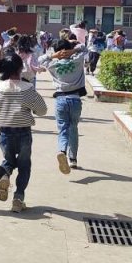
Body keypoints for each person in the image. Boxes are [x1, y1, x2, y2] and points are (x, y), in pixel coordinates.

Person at [0, 53, 48, 213]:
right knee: (24, 166)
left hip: (4, 132)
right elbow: (42, 110)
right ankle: (18, 198)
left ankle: (5, 175)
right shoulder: (27, 88)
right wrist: (32, 109)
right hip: (24, 133)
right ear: (20, 69)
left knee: (8, 160)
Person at [40, 38, 88, 175]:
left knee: (62, 129)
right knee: (73, 128)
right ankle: (73, 159)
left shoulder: (53, 65)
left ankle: (62, 150)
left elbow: (40, 59)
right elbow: (85, 48)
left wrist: (53, 55)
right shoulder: (78, 60)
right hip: (75, 99)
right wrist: (73, 50)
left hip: (60, 99)